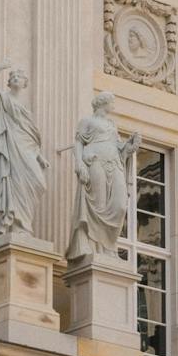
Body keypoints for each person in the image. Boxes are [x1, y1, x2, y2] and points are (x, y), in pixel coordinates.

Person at [68, 91, 141, 259]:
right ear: (103, 103)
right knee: (98, 205)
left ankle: (109, 245)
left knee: (120, 205)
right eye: (112, 102)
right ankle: (98, 249)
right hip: (95, 161)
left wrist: (130, 146)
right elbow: (78, 143)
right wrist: (79, 164)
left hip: (114, 164)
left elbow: (120, 148)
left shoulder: (111, 124)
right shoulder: (87, 121)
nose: (113, 105)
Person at [0, 61, 46, 239]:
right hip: (10, 149)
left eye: (20, 77)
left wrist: (39, 157)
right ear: (9, 83)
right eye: (13, 77)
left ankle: (24, 224)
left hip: (26, 151)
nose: (16, 78)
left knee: (38, 183)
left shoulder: (25, 109)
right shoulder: (3, 98)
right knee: (15, 183)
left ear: (25, 83)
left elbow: (30, 136)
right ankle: (19, 226)